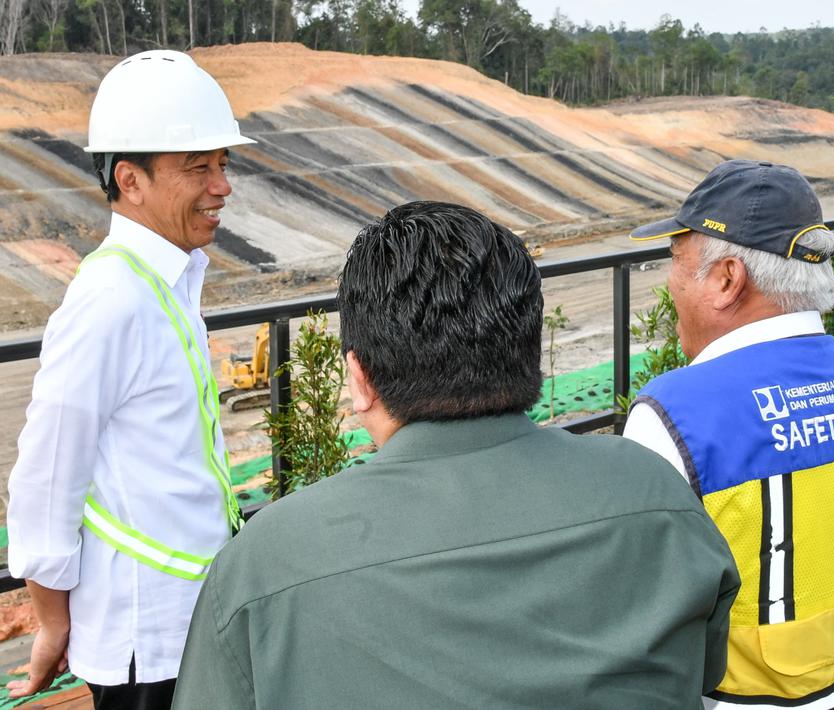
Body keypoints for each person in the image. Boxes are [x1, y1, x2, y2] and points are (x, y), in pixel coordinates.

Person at [171, 201, 740, 709]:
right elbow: (703, 668)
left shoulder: (266, 562)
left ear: (359, 379)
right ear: (527, 350)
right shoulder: (655, 493)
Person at [623, 160, 834, 709]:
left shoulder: (674, 415)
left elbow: (638, 614)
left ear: (727, 278)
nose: (671, 283)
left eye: (676, 261)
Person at [5, 50, 254, 708]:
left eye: (223, 164)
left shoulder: (165, 282)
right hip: (147, 637)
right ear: (130, 180)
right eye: (197, 167)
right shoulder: (111, 300)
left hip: (190, 615)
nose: (221, 185)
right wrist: (54, 620)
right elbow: (46, 473)